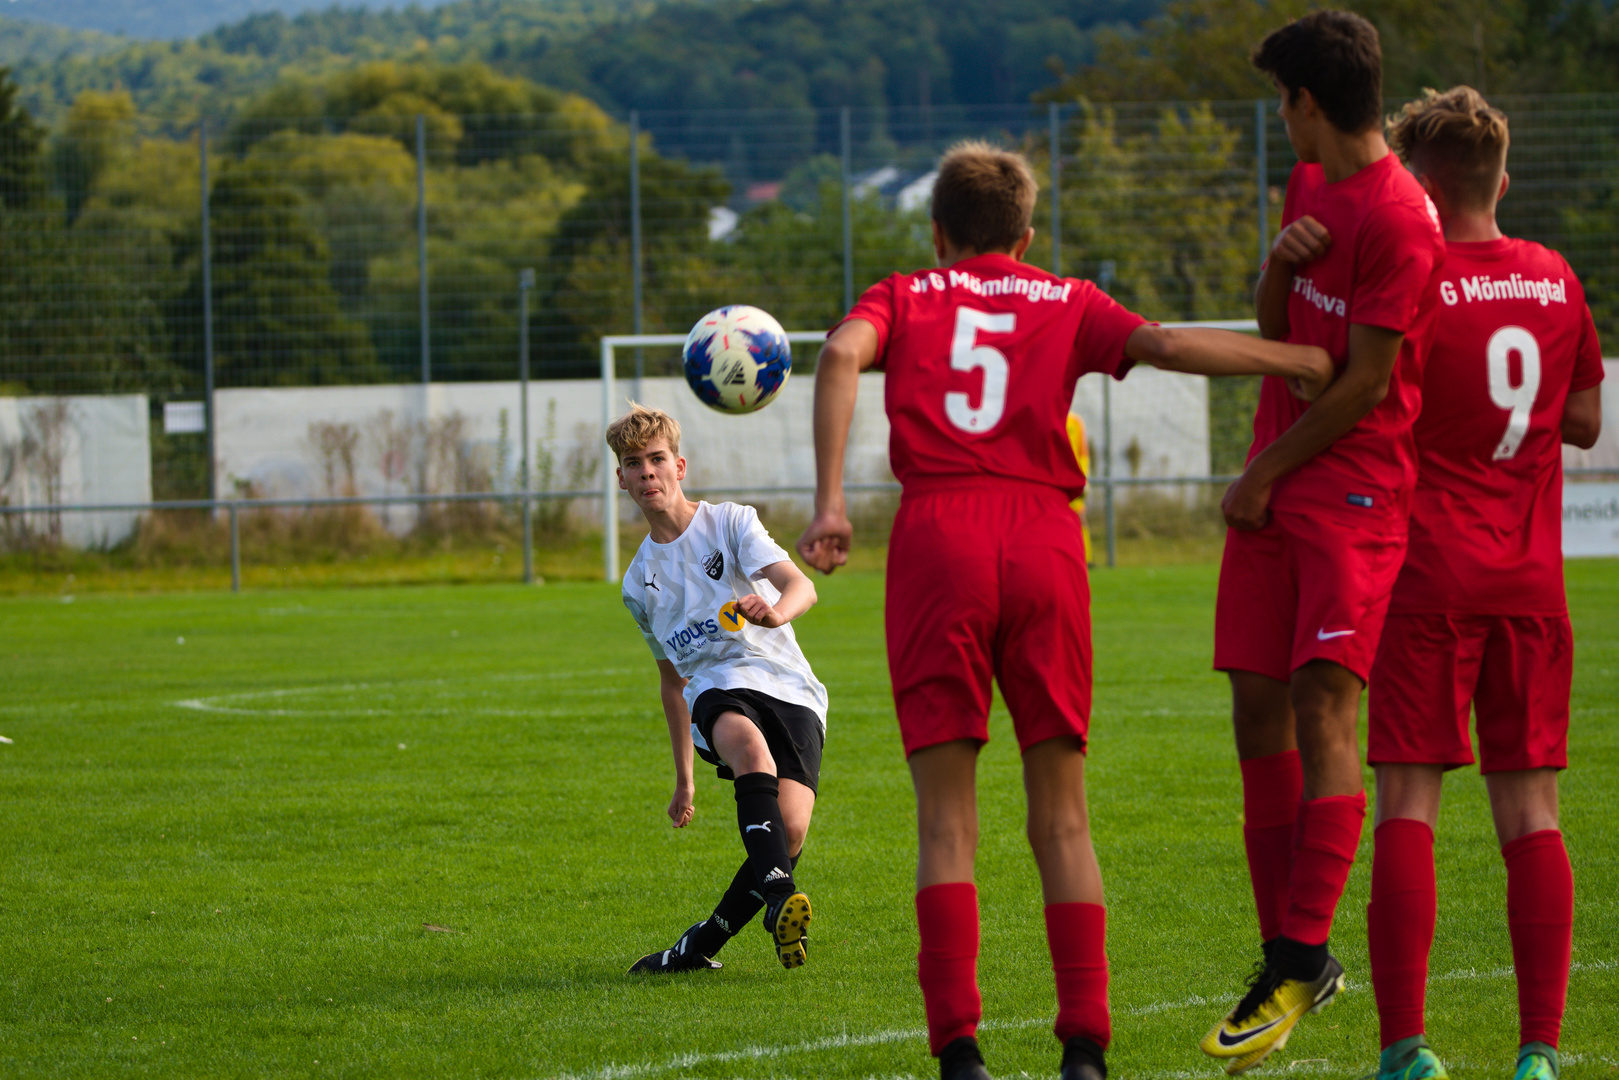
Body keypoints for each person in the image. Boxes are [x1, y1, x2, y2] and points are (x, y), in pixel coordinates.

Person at [795, 140, 1334, 1080]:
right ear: (1027, 234)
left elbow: (841, 352)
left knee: (945, 823)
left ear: (936, 233)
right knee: (1063, 817)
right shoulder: (1068, 298)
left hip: (938, 541)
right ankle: (1083, 1046)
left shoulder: (903, 295)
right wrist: (1291, 355)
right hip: (1043, 538)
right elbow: (1165, 344)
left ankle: (959, 1053)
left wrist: (831, 502)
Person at [1201, 12, 1446, 1072]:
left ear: (1305, 102)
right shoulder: (1307, 189)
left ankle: (1303, 951)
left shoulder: (1401, 217)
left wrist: (1258, 471)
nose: (1278, 119)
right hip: (1276, 491)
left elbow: (1361, 383)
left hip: (1347, 494)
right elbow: (1283, 334)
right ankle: (1283, 955)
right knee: (1252, 703)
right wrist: (1274, 263)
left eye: (1279, 102)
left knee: (1317, 702)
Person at [1361, 87, 1603, 1080]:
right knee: (1530, 812)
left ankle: (1405, 1049)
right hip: (1529, 583)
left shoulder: (1410, 284)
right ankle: (1537, 1053)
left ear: (1419, 183)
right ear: (1499, 179)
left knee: (1407, 803)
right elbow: (1583, 419)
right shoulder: (1553, 277)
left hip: (1423, 578)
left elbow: (1367, 405)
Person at [611, 404, 827, 974]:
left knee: (792, 827)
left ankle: (700, 944)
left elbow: (800, 584)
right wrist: (684, 777)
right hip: (714, 688)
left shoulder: (731, 523)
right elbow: (671, 679)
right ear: (622, 478)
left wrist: (777, 613)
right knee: (747, 747)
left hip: (788, 686)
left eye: (657, 459)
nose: (647, 472)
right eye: (634, 463)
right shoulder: (638, 583)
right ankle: (781, 896)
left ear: (679, 466)